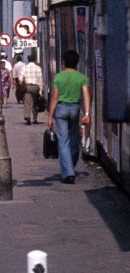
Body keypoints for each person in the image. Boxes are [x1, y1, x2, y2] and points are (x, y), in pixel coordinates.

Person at [47, 50, 91, 184]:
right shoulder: (82, 77)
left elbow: (54, 98)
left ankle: (68, 173)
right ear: (77, 63)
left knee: (63, 141)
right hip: (75, 109)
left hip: (61, 110)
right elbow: (86, 96)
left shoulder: (59, 77)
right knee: (74, 139)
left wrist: (50, 116)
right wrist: (87, 114)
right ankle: (71, 165)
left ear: (64, 63)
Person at [21, 53, 44, 125]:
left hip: (27, 87)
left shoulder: (24, 67)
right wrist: (40, 91)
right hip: (35, 87)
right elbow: (40, 80)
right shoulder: (38, 68)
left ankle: (28, 117)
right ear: (34, 59)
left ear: (28, 60)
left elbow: (20, 78)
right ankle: (34, 118)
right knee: (35, 102)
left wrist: (22, 83)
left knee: (27, 102)